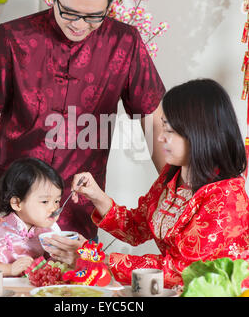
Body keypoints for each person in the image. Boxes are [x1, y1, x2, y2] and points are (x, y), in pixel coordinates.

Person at [0, 0, 166, 240]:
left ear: (109, 6)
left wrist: (176, 194)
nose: (80, 25)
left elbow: (153, 123)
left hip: (75, 211)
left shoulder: (124, 43)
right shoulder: (11, 38)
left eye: (94, 16)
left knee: (72, 280)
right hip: (6, 208)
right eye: (69, 13)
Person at [63, 79, 249, 289]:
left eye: (170, 130)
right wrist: (96, 195)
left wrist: (96, 258)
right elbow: (135, 228)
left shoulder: (227, 196)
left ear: (199, 132)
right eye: (163, 128)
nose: (160, 138)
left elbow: (180, 270)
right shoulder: (171, 176)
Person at [0, 157, 74, 277]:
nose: (54, 208)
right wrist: (9, 269)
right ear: (17, 203)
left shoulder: (50, 233)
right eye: (45, 201)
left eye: (57, 201)